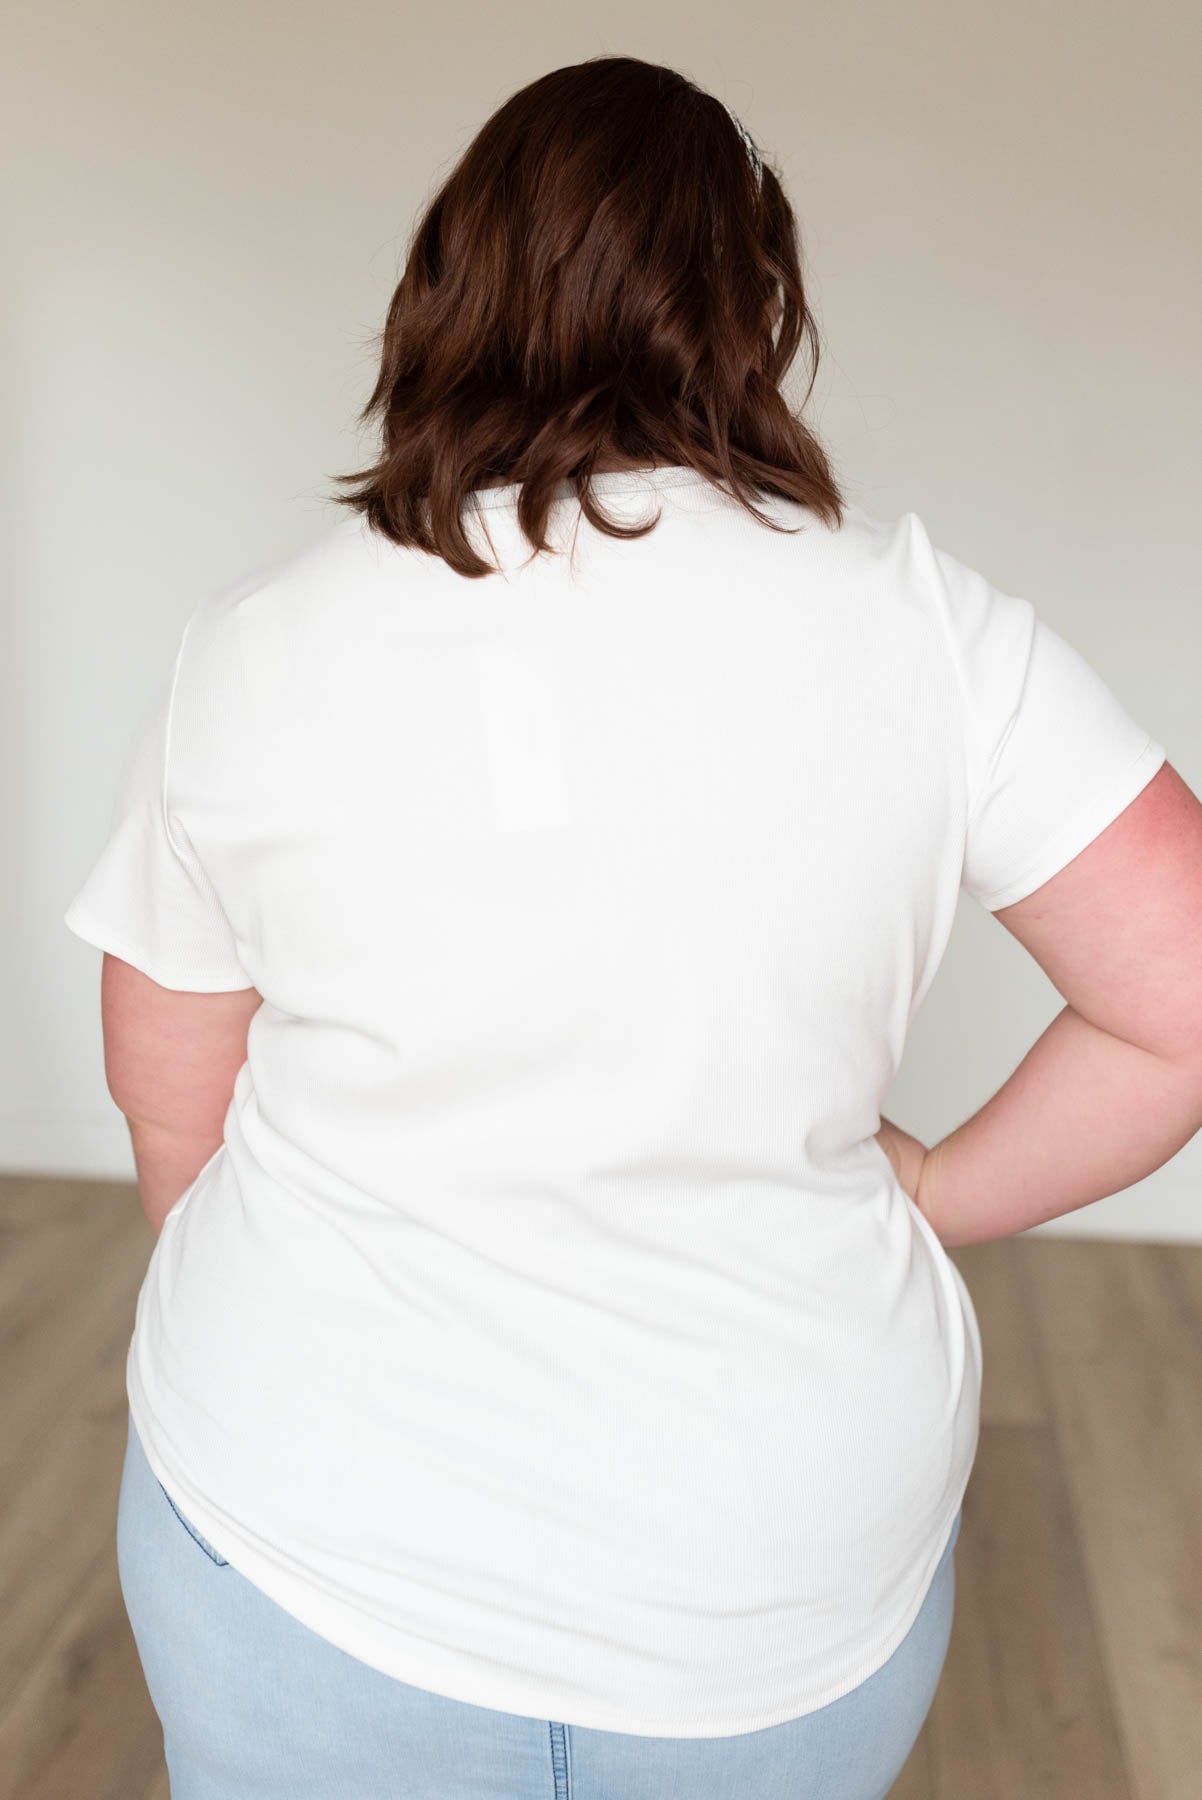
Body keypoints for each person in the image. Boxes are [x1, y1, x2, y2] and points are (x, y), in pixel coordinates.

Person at [64, 52, 1202, 1800]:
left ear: (446, 289)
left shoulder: (259, 644)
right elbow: (1180, 1001)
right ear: (751, 311)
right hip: (773, 1591)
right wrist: (942, 1190)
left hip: (308, 1545)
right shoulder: (923, 628)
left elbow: (168, 1104)